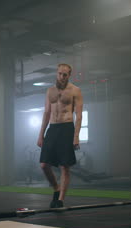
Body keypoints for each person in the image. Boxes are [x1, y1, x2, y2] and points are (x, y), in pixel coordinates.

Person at [37, 63, 83, 208]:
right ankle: (56, 188)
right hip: (53, 128)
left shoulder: (75, 90)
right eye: (59, 74)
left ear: (69, 75)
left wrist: (76, 136)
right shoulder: (50, 91)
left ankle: (60, 200)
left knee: (64, 166)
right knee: (44, 165)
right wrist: (41, 135)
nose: (61, 77)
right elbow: (46, 113)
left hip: (67, 128)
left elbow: (79, 115)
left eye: (65, 74)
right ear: (56, 73)